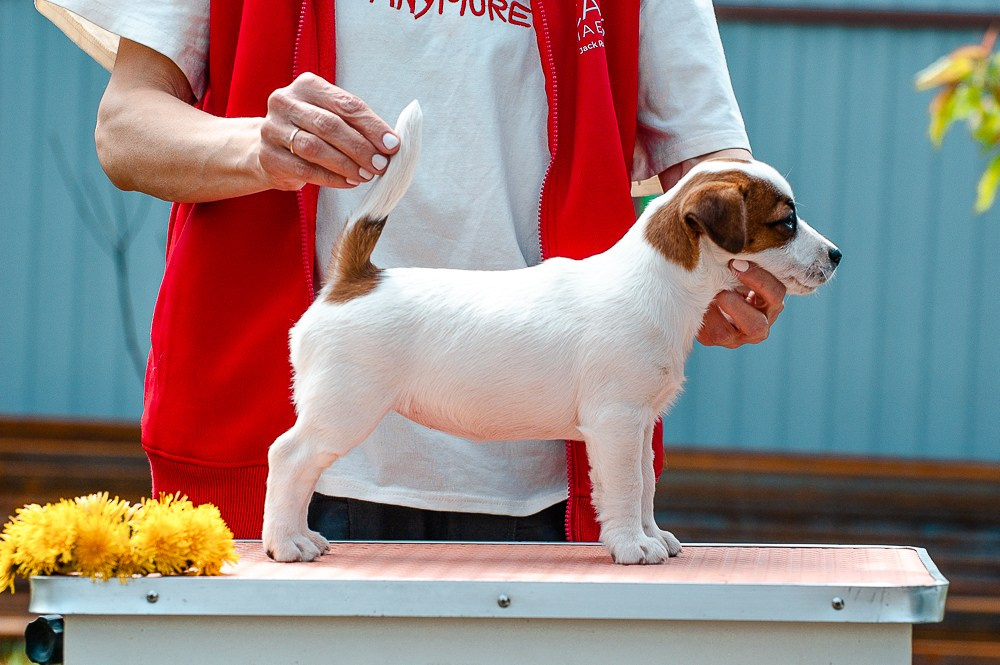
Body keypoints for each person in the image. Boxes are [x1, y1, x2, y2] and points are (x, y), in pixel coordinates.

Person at [38, 0, 786, 543]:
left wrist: (741, 268)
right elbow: (126, 128)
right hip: (291, 456)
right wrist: (259, 148)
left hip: (547, 486)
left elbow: (711, 163)